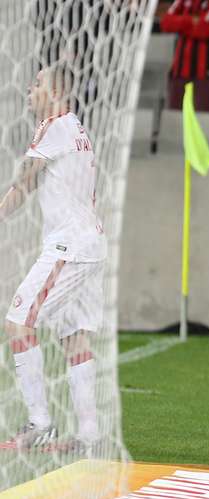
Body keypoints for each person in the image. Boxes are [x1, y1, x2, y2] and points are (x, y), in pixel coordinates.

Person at [0, 64, 107, 452]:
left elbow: (24, 183)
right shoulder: (77, 129)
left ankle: (40, 423)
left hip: (69, 248)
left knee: (18, 322)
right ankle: (89, 435)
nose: (30, 88)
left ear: (56, 92)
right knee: (75, 340)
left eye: (37, 83)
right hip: (90, 246)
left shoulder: (54, 125)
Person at [160, 0, 209, 111]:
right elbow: (165, 23)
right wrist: (192, 20)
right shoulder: (182, 1)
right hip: (178, 73)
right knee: (174, 123)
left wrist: (180, 22)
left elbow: (205, 29)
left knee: (205, 123)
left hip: (207, 76)